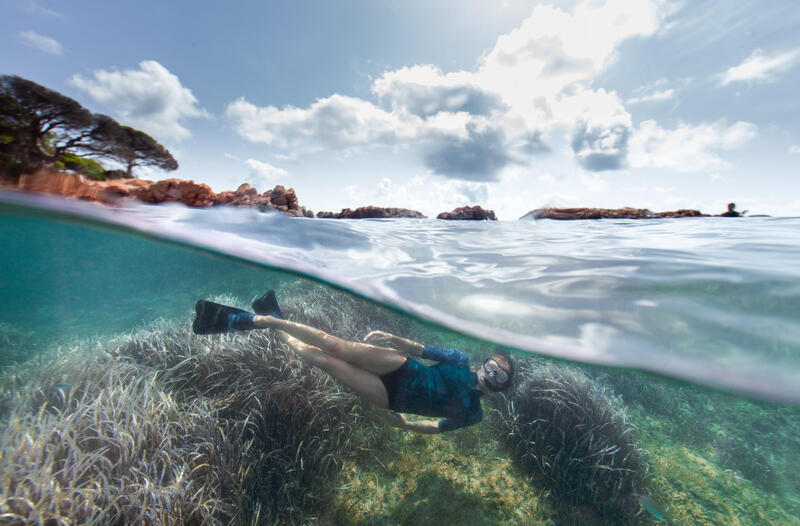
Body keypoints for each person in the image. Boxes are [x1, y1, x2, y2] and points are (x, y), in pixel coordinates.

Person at [192, 291, 514, 434]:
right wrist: (392, 338)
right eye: (492, 366)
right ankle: (262, 319)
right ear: (484, 362)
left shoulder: (475, 414)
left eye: (499, 377)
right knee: (337, 347)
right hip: (402, 366)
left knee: (325, 362)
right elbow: (421, 349)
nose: (491, 374)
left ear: (501, 388)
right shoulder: (459, 360)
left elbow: (438, 427)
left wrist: (407, 426)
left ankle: (274, 323)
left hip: (390, 399)